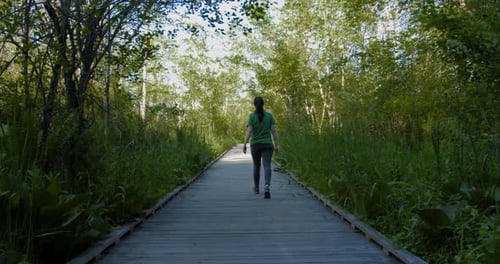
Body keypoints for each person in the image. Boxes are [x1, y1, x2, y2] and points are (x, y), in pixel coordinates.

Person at [243, 96, 279, 199]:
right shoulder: (269, 116)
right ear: (263, 104)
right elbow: (274, 131)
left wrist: (245, 144)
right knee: (267, 165)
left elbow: (249, 131)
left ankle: (257, 188)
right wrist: (276, 145)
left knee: (256, 166)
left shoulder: (251, 116)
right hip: (268, 144)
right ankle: (267, 187)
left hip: (255, 145)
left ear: (255, 104)